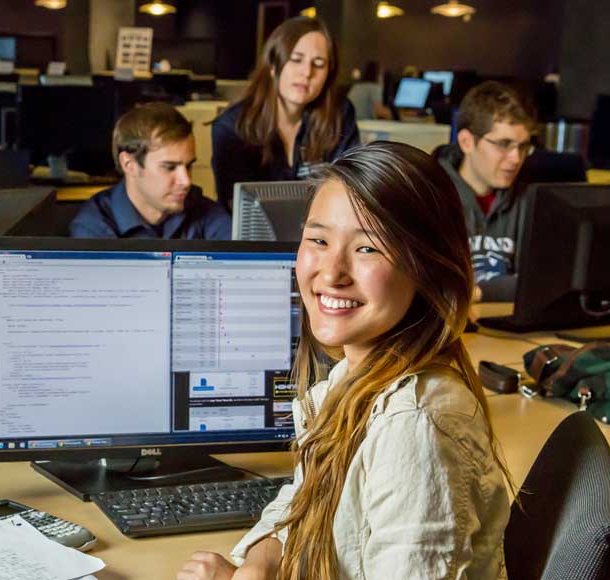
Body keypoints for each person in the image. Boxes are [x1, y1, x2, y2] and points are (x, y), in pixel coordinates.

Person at [177, 142, 510, 579]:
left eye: (368, 248)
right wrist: (259, 564)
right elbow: (300, 499)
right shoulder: (352, 379)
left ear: (427, 267)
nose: (331, 272)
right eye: (318, 240)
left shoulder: (416, 423)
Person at [211, 17, 360, 209]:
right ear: (273, 66)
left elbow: (351, 188)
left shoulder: (340, 114)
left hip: (323, 232)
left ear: (329, 74)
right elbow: (236, 207)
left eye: (319, 63)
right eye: (296, 59)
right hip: (255, 237)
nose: (306, 72)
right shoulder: (231, 126)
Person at [434, 81, 535, 302]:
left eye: (523, 146)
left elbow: (540, 281)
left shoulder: (531, 201)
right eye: (503, 144)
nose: (516, 158)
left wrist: (478, 293)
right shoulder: (429, 195)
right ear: (466, 142)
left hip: (506, 327)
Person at [70, 102, 230, 239]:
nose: (186, 181)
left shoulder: (205, 211)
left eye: (188, 166)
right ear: (129, 164)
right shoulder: (92, 228)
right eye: (169, 167)